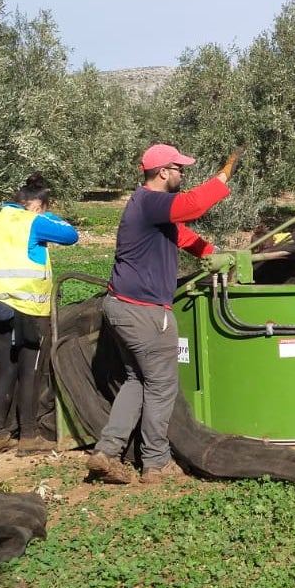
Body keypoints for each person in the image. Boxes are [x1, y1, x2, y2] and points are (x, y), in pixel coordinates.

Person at [87, 144, 239, 485]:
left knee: (137, 380)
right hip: (145, 313)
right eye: (180, 168)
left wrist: (216, 252)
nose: (183, 174)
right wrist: (224, 176)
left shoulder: (148, 210)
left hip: (120, 306)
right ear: (163, 172)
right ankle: (156, 464)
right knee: (161, 385)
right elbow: (195, 205)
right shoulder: (152, 201)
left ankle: (107, 451)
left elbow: (182, 235)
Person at [0, 173, 79, 455]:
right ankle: (29, 438)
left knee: (5, 368)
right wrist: (43, 213)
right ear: (36, 205)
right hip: (27, 309)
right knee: (30, 371)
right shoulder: (33, 221)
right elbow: (71, 235)